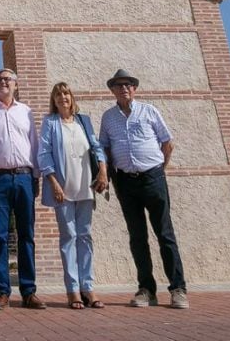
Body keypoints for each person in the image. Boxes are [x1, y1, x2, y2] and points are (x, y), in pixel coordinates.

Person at [99, 69, 189, 310]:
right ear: (112, 90)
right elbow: (104, 148)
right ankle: (146, 289)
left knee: (165, 234)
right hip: (125, 182)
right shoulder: (108, 118)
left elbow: (167, 143)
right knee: (137, 237)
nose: (124, 89)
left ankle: (178, 288)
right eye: (118, 86)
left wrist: (159, 169)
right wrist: (105, 174)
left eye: (128, 85)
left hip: (153, 177)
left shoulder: (149, 111)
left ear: (134, 89)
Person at [37, 82, 109, 309]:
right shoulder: (50, 123)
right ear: (54, 100)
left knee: (85, 235)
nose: (62, 97)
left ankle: (88, 287)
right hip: (62, 189)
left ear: (71, 97)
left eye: (65, 93)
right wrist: (53, 183)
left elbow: (97, 147)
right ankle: (73, 290)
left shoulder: (83, 121)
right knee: (69, 236)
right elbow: (44, 154)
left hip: (85, 186)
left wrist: (103, 171)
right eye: (57, 94)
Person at [0, 68, 45, 310]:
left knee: (26, 235)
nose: (3, 82)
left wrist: (36, 177)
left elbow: (34, 144)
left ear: (15, 85)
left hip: (24, 178)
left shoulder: (26, 111)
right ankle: (2, 291)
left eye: (7, 79)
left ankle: (29, 291)